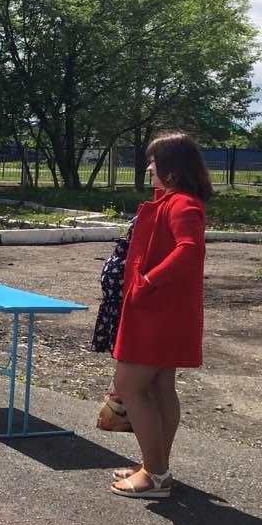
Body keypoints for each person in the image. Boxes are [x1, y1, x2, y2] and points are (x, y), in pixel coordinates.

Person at [109, 132, 211, 499]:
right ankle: (155, 466)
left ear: (172, 169)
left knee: (130, 386)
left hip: (157, 312)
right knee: (158, 387)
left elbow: (189, 250)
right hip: (161, 310)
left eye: (154, 161)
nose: (149, 167)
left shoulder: (182, 204)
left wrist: (149, 280)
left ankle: (155, 475)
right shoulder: (173, 201)